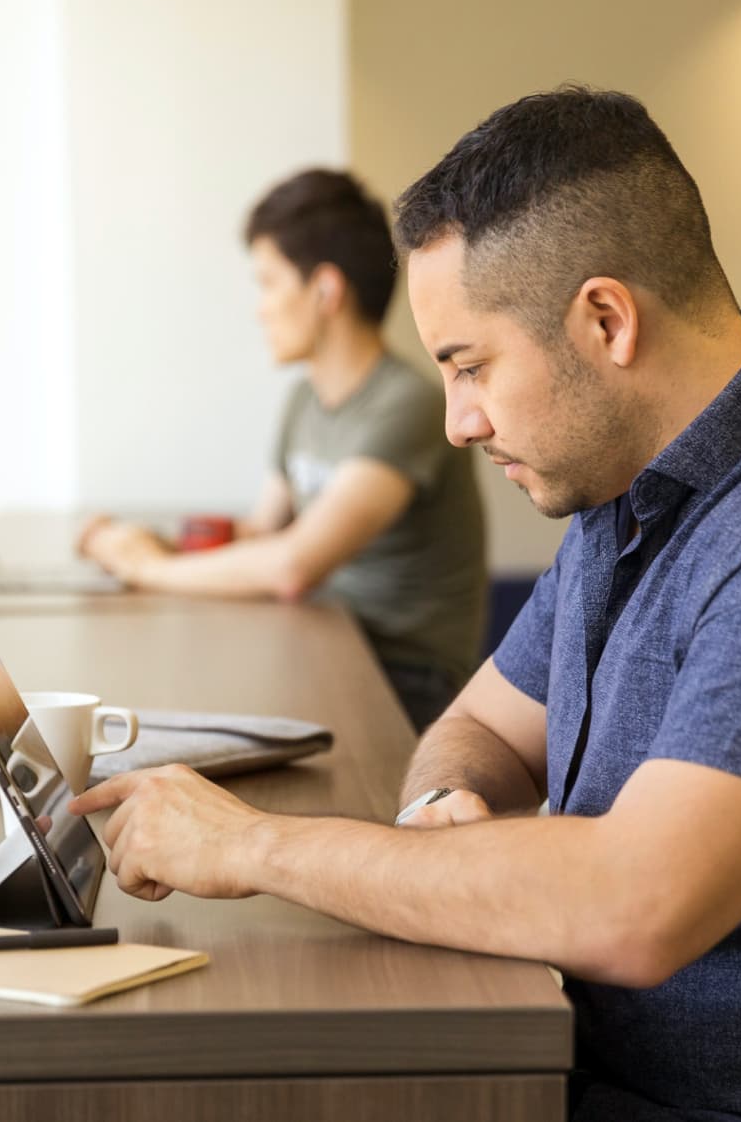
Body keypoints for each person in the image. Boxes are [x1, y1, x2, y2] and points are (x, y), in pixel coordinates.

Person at [71, 87, 741, 1120]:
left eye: (470, 367)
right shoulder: (625, 491)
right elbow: (478, 725)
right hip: (568, 1054)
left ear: (605, 320)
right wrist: (445, 814)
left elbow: (637, 901)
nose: (458, 422)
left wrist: (248, 845)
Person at [81, 169, 486, 732]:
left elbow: (293, 565)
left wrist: (149, 569)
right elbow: (262, 532)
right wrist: (154, 541)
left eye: (268, 283)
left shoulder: (407, 405)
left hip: (402, 679)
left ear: (325, 291)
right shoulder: (304, 401)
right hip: (327, 641)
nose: (260, 308)